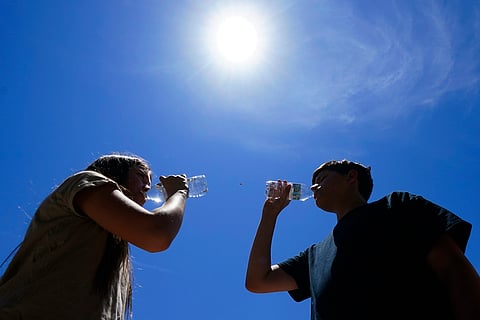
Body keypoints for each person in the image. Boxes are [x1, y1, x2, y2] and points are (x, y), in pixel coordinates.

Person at [246, 159, 480, 320]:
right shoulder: (314, 255)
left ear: (351, 177)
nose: (314, 186)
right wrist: (270, 215)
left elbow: (453, 268)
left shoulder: (396, 205)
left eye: (322, 178)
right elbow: (258, 281)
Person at [0, 153, 190, 320]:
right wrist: (178, 192)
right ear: (115, 172)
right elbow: (156, 233)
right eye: (140, 176)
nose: (147, 186)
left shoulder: (114, 246)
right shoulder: (86, 181)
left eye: (149, 181)